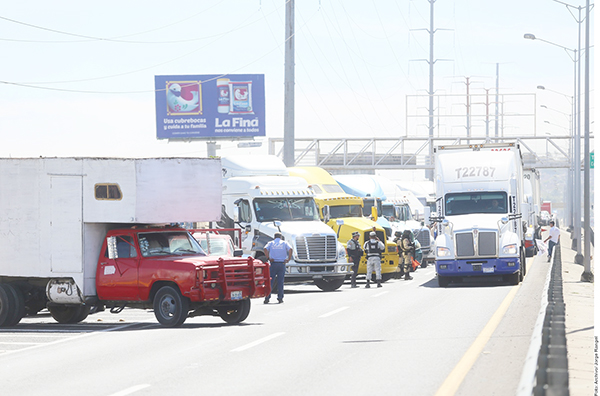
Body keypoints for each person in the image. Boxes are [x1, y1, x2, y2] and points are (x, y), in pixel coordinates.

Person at [263, 232, 293, 303]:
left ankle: (267, 298)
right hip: (282, 263)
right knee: (280, 281)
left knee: (270, 281)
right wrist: (288, 259)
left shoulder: (271, 243)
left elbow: (265, 249)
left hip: (273, 263)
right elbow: (291, 249)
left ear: (274, 237)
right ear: (281, 237)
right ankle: (280, 298)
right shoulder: (284, 243)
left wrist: (268, 258)